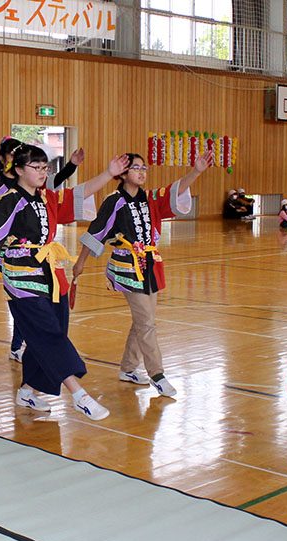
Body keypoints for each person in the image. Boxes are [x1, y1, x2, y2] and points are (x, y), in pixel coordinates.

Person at [0, 144, 129, 420]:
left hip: (50, 274)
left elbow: (79, 194)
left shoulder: (45, 198)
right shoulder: (9, 200)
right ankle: (79, 395)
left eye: (45, 168)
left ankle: (27, 390)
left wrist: (108, 174)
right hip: (20, 278)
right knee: (48, 333)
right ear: (18, 170)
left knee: (51, 333)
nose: (42, 172)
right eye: (36, 167)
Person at [73, 150, 214, 397]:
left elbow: (174, 191)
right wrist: (80, 262)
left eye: (144, 168)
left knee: (143, 321)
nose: (141, 172)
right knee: (147, 323)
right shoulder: (114, 201)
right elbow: (96, 231)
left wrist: (196, 171)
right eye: (136, 168)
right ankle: (157, 374)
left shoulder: (150, 199)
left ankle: (128, 368)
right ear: (124, 173)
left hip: (150, 267)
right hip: (127, 268)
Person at [0, 137, 85, 363]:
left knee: (38, 317)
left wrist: (73, 166)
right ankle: (28, 352)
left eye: (43, 167)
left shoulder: (39, 195)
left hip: (40, 263)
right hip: (12, 262)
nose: (41, 172)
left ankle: (27, 366)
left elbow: (58, 182)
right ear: (10, 162)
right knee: (27, 308)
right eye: (12, 154)